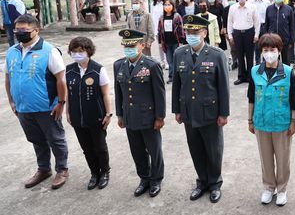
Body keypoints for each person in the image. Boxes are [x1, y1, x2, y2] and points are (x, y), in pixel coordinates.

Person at [5, 14, 69, 190]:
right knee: (36, 139)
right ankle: (43, 169)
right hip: (23, 107)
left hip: (46, 106)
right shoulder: (12, 51)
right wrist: (11, 101)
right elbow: (8, 78)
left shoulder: (49, 51)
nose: (19, 33)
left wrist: (61, 103)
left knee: (55, 139)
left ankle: (62, 169)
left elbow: (60, 80)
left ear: (36, 30)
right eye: (17, 30)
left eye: (24, 30)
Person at [172, 15, 230, 203]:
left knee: (213, 150)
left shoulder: (216, 54)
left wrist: (223, 113)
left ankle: (214, 183)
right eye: (188, 32)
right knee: (195, 148)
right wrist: (177, 110)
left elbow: (223, 87)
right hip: (188, 111)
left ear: (204, 33)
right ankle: (202, 182)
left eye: (195, 32)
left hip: (210, 112)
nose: (191, 35)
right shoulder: (179, 53)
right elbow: (177, 85)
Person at [247, 34, 295, 206]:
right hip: (261, 122)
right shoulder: (255, 71)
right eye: (266, 50)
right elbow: (251, 98)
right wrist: (250, 120)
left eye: (272, 50)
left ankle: (282, 189)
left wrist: (293, 121)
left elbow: (293, 100)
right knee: (266, 158)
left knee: (283, 159)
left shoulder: (288, 72)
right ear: (261, 52)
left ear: (279, 51)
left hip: (281, 123)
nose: (269, 53)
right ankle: (269, 187)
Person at [114, 29, 166, 197]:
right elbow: (119, 92)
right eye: (126, 46)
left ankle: (156, 179)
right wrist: (120, 115)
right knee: (136, 150)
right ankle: (144, 178)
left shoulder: (151, 65)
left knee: (154, 150)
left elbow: (159, 94)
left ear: (142, 46)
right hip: (130, 116)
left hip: (149, 117)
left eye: (132, 45)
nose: (129, 49)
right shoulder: (118, 65)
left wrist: (160, 117)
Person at [65, 37, 112, 190]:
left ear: (88, 51)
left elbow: (105, 94)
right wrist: (68, 112)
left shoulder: (98, 69)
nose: (77, 54)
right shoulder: (69, 70)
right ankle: (94, 173)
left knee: (100, 147)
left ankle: (104, 172)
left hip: (96, 116)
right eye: (74, 52)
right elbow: (69, 94)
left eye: (81, 51)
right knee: (86, 148)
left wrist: (108, 113)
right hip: (77, 117)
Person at [227, 0, 260, 85]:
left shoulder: (252, 7)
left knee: (250, 56)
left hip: (249, 32)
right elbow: (229, 22)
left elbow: (257, 22)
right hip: (237, 33)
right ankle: (241, 76)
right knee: (239, 55)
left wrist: (256, 35)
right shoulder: (232, 8)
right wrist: (230, 35)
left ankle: (250, 77)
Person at [157, 0, 185, 83]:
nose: (167, 6)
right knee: (169, 61)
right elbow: (159, 30)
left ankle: (178, 77)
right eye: (165, 5)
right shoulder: (162, 17)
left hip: (176, 42)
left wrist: (181, 41)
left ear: (173, 6)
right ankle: (171, 77)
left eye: (169, 5)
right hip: (166, 42)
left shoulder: (177, 16)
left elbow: (181, 29)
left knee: (177, 60)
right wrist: (159, 42)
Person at [264, 0, 294, 66]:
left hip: (285, 40)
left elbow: (291, 26)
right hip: (272, 40)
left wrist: (291, 40)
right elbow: (266, 25)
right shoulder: (269, 9)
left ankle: (286, 76)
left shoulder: (288, 9)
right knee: (273, 62)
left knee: (286, 62)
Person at [250, 0, 270, 64]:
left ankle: (266, 63)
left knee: (265, 45)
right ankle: (258, 64)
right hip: (254, 26)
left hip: (264, 25)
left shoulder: (267, 2)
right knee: (256, 47)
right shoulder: (251, 2)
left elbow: (269, 15)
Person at [150, 0, 166, 66]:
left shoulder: (165, 3)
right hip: (156, 28)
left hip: (165, 27)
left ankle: (167, 61)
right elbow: (152, 16)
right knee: (160, 45)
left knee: (166, 44)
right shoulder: (153, 4)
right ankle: (162, 61)